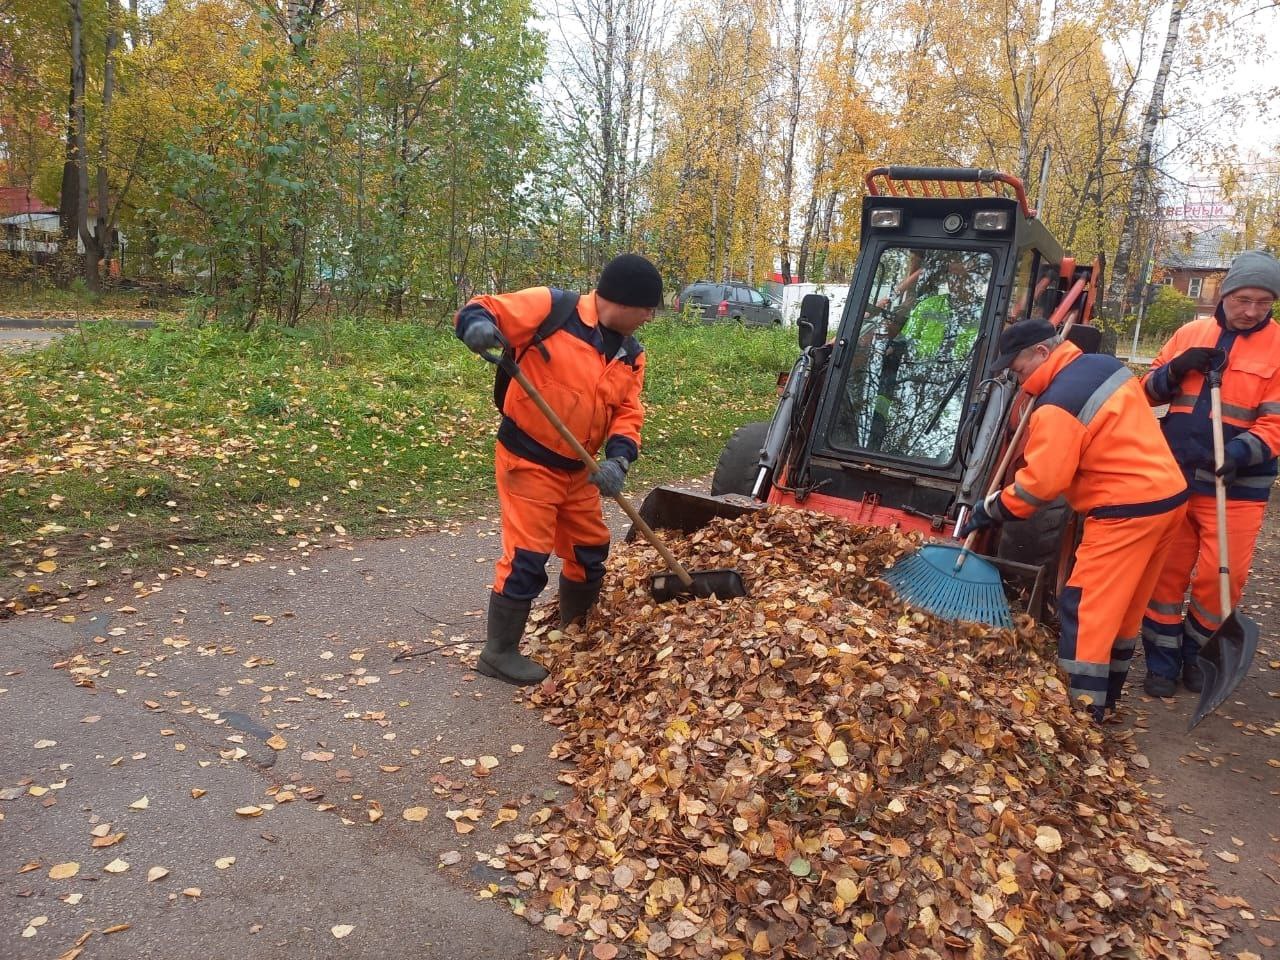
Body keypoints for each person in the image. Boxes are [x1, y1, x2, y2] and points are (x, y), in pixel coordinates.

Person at [960, 318, 1189, 721]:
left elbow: (1039, 488)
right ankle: (1107, 697)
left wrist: (989, 510)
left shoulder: (1057, 405)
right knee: (1123, 607)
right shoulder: (1105, 367)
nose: (1020, 381)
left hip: (1124, 510)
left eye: (1019, 370)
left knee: (1085, 610)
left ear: (1042, 352)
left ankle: (1082, 715)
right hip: (1167, 498)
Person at [454, 254, 663, 685]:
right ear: (624, 301)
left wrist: (619, 458)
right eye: (648, 308)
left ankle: (576, 627)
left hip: (579, 470)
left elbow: (628, 411)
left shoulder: (631, 354)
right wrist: (476, 326)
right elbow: (483, 308)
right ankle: (498, 653)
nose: (650, 317)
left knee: (590, 549)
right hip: (529, 461)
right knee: (528, 556)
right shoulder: (552, 309)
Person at [1139, 250, 1280, 697]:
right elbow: (1144, 392)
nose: (1252, 311)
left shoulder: (1278, 348)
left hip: (1236, 488)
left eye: (1263, 302)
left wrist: (1240, 452)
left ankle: (1198, 655)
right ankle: (1161, 662)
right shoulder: (1190, 334)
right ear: (1225, 294)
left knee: (1223, 578)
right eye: (1243, 300)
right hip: (1177, 478)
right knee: (1165, 573)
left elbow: (1277, 423)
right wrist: (1176, 369)